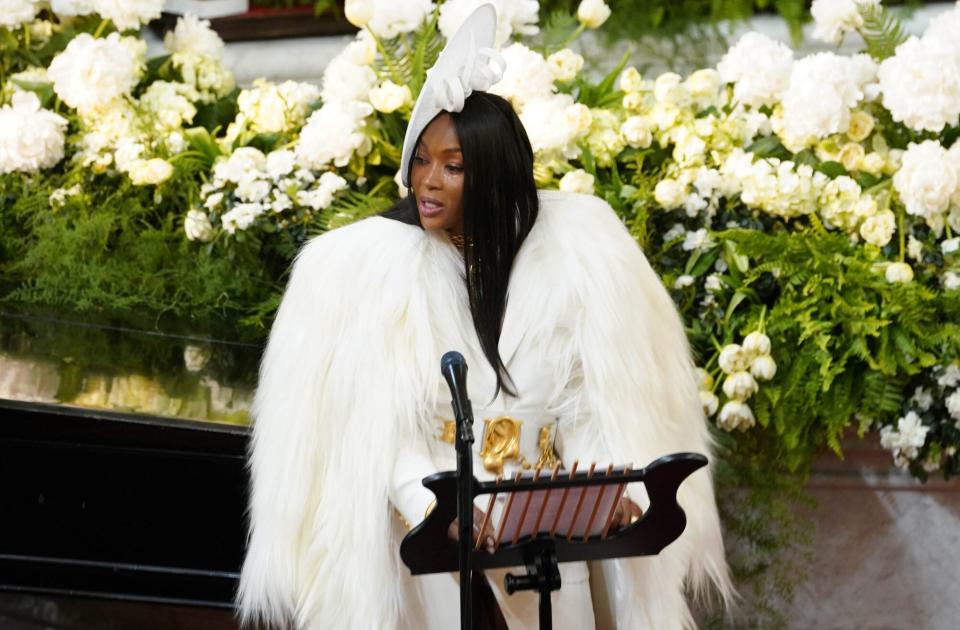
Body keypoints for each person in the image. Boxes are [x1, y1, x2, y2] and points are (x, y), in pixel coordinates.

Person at [238, 5, 732, 629]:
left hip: (550, 527)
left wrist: (610, 499)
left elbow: (592, 402)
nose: (428, 181)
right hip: (438, 532)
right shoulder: (374, 272)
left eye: (453, 166)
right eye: (421, 160)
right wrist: (433, 502)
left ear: (493, 174)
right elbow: (376, 429)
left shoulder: (574, 258)